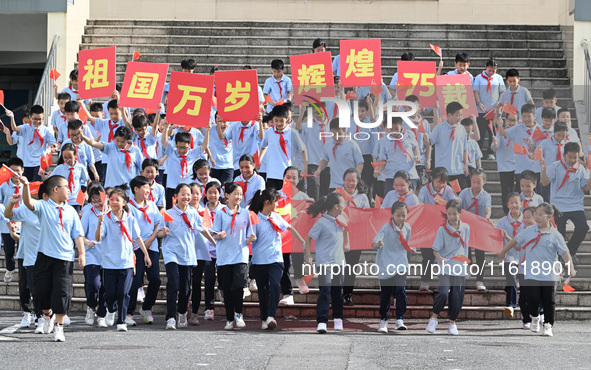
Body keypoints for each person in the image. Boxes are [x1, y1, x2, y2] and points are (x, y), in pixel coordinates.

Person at [21, 175, 86, 342]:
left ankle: (59, 327)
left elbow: (77, 234)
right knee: (41, 292)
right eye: (66, 186)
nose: (69, 190)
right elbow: (29, 203)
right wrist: (26, 186)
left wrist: (82, 253)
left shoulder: (71, 210)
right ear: (56, 189)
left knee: (62, 292)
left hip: (64, 258)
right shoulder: (43, 206)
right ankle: (47, 315)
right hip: (44, 256)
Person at [498, 203, 576, 337]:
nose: (537, 217)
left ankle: (548, 325)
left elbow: (565, 253)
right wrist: (503, 251)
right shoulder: (529, 230)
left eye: (540, 215)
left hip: (549, 274)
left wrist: (571, 268)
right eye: (536, 214)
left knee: (549, 300)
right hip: (531, 272)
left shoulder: (555, 235)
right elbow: (515, 241)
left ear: (549, 218)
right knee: (532, 298)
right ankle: (534, 317)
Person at [95, 186, 151, 332]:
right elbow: (98, 237)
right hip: (109, 262)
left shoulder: (130, 219)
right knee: (111, 293)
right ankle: (111, 309)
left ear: (124, 202)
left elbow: (137, 237)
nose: (113, 202)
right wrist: (100, 222)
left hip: (126, 262)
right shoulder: (106, 218)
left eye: (117, 199)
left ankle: (121, 321)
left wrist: (145, 254)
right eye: (111, 199)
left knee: (124, 293)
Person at [249, 189, 305, 330]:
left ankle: (271, 316)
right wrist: (250, 238)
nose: (277, 205)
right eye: (276, 202)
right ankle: (264, 318)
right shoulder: (255, 219)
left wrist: (302, 241)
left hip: (276, 260)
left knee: (275, 286)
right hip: (260, 261)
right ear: (267, 203)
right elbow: (250, 236)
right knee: (263, 290)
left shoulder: (276, 216)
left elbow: (290, 227)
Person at [162, 183, 215, 329]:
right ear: (176, 196)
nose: (186, 197)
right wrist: (163, 232)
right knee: (173, 283)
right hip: (171, 252)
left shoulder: (193, 214)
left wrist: (214, 242)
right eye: (183, 194)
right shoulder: (168, 214)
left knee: (185, 288)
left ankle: (182, 313)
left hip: (187, 254)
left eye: (188, 194)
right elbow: (160, 232)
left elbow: (202, 229)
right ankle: (171, 317)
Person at [212, 182, 256, 330]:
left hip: (240, 255)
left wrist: (250, 239)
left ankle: (239, 314)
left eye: (240, 194)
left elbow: (249, 233)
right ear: (227, 195)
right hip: (224, 256)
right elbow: (214, 234)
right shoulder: (220, 213)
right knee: (227, 288)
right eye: (235, 194)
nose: (238, 197)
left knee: (238, 286)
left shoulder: (245, 213)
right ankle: (229, 318)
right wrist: (219, 235)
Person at [304, 192, 348, 334]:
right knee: (325, 290)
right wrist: (309, 256)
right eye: (342, 204)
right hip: (324, 262)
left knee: (338, 292)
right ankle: (322, 321)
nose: (344, 207)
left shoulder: (341, 220)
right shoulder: (322, 222)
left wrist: (347, 243)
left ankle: (337, 319)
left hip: (339, 262)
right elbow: (308, 238)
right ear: (336, 206)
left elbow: (347, 229)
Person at [426, 199, 470, 336]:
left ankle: (452, 323)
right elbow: (435, 250)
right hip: (446, 267)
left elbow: (466, 248)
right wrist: (440, 259)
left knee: (457, 297)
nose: (452, 217)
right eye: (449, 214)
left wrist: (467, 266)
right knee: (443, 292)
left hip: (460, 267)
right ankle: (433, 318)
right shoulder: (442, 229)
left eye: (454, 213)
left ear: (460, 213)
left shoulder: (466, 228)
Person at [541, 142, 591, 262]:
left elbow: (586, 188)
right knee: (560, 234)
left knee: (583, 228)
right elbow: (545, 183)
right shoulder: (555, 166)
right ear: (564, 155)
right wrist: (543, 169)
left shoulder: (580, 168)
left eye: (575, 157)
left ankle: (569, 252)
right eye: (570, 157)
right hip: (558, 205)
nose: (573, 160)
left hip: (575, 205)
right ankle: (562, 261)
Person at [126, 176, 165, 326]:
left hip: (152, 247)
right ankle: (128, 312)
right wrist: (142, 244)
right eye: (145, 188)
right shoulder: (129, 207)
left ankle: (146, 307)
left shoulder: (152, 205)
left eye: (149, 189)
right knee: (135, 281)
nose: (148, 191)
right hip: (135, 248)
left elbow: (158, 224)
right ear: (136, 189)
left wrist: (150, 240)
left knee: (155, 279)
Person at [373, 201, 412, 333]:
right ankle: (384, 319)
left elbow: (407, 243)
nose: (401, 218)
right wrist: (378, 244)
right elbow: (374, 243)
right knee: (386, 294)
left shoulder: (407, 227)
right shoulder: (385, 227)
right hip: (386, 264)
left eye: (403, 215)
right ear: (392, 215)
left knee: (401, 290)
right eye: (398, 215)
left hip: (401, 263)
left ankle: (399, 318)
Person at [417, 167, 458, 291]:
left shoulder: (448, 190)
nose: (441, 185)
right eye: (438, 181)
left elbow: (454, 203)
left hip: (444, 229)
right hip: (428, 228)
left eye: (444, 182)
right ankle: (425, 282)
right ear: (431, 179)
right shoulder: (425, 189)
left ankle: (445, 282)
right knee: (427, 256)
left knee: (445, 255)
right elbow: (419, 202)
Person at [339, 168, 370, 306]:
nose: (350, 183)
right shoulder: (336, 195)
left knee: (351, 267)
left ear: (358, 182)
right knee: (338, 267)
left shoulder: (362, 197)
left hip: (355, 237)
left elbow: (367, 216)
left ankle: (347, 294)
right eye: (348, 180)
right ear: (343, 181)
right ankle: (336, 293)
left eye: (353, 180)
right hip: (338, 236)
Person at [260, 105, 308, 191]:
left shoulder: (292, 133)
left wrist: (305, 167)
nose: (278, 123)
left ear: (287, 119)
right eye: (276, 120)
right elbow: (263, 146)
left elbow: (303, 149)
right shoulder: (269, 132)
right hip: (272, 173)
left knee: (287, 199)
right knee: (272, 199)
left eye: (281, 121)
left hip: (288, 175)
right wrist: (259, 160)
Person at [458, 169, 491, 291]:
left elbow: (488, 209)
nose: (475, 185)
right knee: (466, 249)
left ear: (484, 182)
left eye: (479, 182)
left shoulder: (486, 196)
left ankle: (480, 279)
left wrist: (487, 217)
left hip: (480, 227)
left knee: (480, 254)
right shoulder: (464, 192)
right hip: (466, 226)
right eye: (473, 182)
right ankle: (468, 266)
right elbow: (458, 202)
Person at [79, 184, 107, 327]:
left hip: (108, 256)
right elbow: (79, 234)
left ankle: (101, 314)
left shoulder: (112, 211)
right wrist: (86, 242)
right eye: (94, 201)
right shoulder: (87, 211)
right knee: (94, 284)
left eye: (99, 200)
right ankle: (91, 307)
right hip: (91, 255)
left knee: (106, 287)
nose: (97, 204)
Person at [7, 106, 57, 181]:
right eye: (35, 119)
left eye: (39, 119)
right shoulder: (25, 128)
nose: (37, 121)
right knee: (25, 186)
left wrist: (54, 146)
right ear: (30, 117)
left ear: (43, 117)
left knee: (36, 187)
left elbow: (52, 143)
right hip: (25, 163)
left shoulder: (46, 130)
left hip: (39, 164)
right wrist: (12, 117)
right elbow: (15, 128)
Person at [495, 193, 525, 319]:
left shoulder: (526, 221)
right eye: (511, 203)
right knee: (512, 277)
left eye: (516, 202)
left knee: (523, 282)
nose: (514, 205)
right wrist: (501, 251)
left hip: (524, 256)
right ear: (507, 205)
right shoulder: (502, 222)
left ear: (522, 204)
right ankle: (511, 305)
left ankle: (525, 305)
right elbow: (497, 239)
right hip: (510, 256)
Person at [314, 118, 364, 192]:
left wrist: (355, 179)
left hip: (349, 185)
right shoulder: (328, 144)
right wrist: (319, 170)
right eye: (334, 134)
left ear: (345, 131)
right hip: (334, 184)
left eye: (339, 134)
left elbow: (360, 163)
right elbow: (325, 159)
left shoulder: (352, 144)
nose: (336, 137)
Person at [429, 102, 470, 188]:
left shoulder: (462, 129)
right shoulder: (439, 128)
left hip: (458, 170)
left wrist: (466, 165)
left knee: (457, 197)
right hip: (442, 171)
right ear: (449, 115)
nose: (460, 118)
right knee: (442, 197)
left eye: (461, 115)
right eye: (458, 115)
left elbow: (465, 149)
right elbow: (429, 142)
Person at [473, 57, 505, 160]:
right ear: (485, 67)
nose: (491, 72)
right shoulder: (478, 78)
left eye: (493, 71)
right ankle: (480, 152)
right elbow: (476, 91)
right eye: (489, 70)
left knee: (493, 132)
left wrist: (499, 102)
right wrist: (479, 102)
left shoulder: (498, 78)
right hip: (482, 110)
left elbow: (502, 92)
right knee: (481, 132)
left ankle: (491, 152)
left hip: (494, 111)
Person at [0, 157, 24, 283]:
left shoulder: (26, 186)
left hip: (23, 225)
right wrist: (10, 224)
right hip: (6, 225)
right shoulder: (3, 186)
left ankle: (23, 273)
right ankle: (10, 268)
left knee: (22, 251)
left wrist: (18, 223)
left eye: (18, 171)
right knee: (8, 251)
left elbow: (28, 207)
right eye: (13, 171)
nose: (16, 174)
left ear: (23, 171)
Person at [49, 143, 89, 212]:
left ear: (75, 155)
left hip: (77, 200)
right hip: (64, 200)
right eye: (65, 158)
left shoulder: (80, 167)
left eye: (70, 157)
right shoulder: (59, 168)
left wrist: (86, 192)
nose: (67, 160)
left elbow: (87, 180)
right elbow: (50, 180)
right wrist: (43, 175)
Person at [491, 114, 518, 214]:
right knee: (507, 192)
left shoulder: (519, 131)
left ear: (518, 121)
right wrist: (496, 143)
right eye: (510, 120)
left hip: (518, 166)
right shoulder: (500, 132)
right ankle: (507, 214)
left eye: (514, 120)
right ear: (505, 120)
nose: (511, 122)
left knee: (520, 189)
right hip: (505, 167)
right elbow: (494, 148)